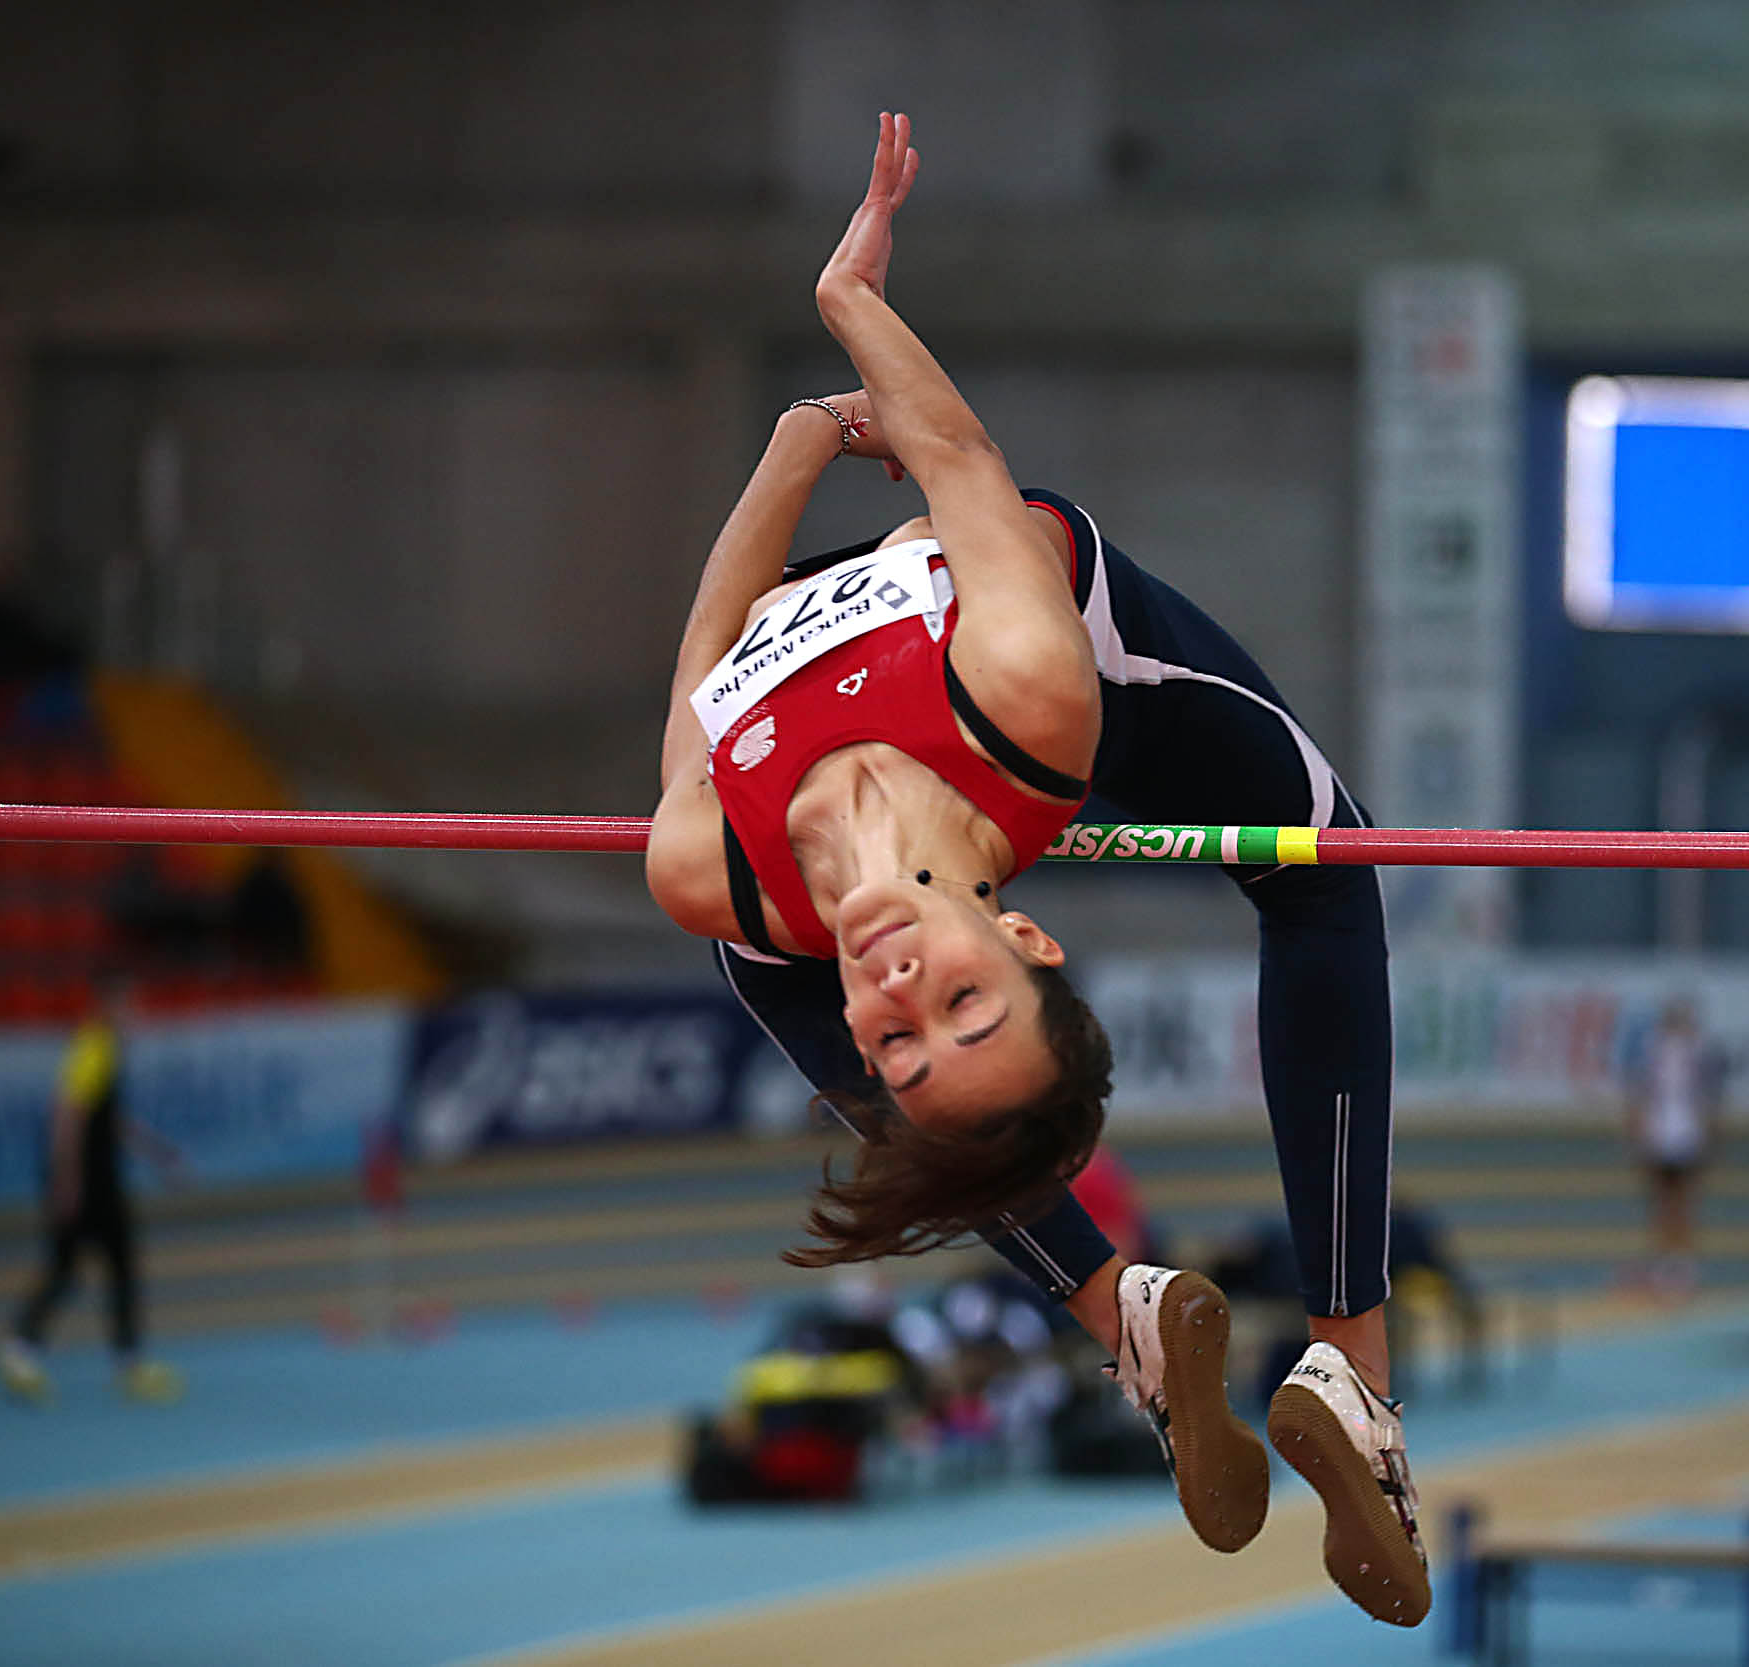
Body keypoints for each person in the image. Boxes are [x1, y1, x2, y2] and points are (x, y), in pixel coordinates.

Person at [645, 114, 1423, 1624]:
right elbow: (959, 461)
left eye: (895, 1039)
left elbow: (700, 660)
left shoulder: (709, 868)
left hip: (801, 655)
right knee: (1330, 865)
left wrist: (798, 442)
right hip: (1028, 633)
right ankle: (1352, 1360)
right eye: (964, 1004)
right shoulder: (1028, 690)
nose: (897, 994)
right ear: (1026, 935)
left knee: (752, 956)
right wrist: (854, 309)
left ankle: (1117, 1309)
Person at [0, 978, 185, 1405]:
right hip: (86, 1181)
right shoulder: (94, 1047)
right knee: (74, 1268)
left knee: (114, 1266)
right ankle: (25, 1352)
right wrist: (67, 1182)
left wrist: (157, 1153)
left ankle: (123, 1361)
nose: (136, 1015)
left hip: (98, 1179)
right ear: (109, 1005)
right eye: (130, 1006)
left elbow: (108, 1119)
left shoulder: (107, 1050)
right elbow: (67, 1114)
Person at [1625, 996, 1723, 1296]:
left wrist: (1709, 1136)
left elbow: (1708, 1099)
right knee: (1663, 1203)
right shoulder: (1654, 1050)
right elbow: (1642, 1095)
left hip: (1685, 1136)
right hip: (1661, 1135)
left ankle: (1681, 1266)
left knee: (1681, 1204)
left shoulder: (1698, 1052)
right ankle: (1664, 1265)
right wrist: (1639, 1132)